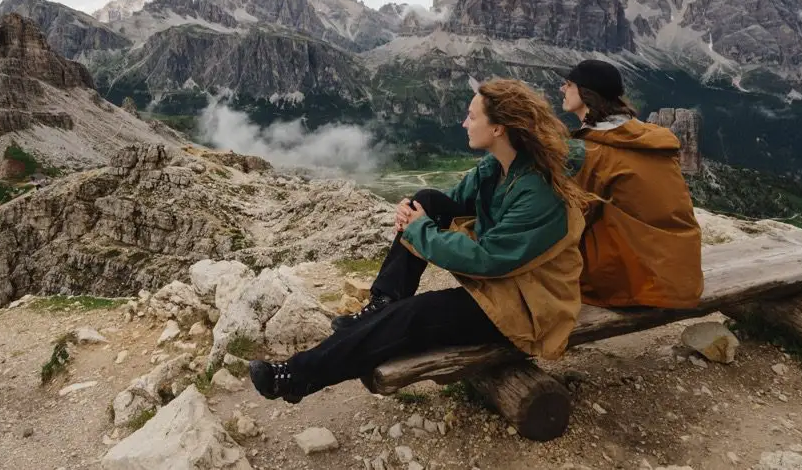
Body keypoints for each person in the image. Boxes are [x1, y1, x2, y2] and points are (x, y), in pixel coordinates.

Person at [248, 79, 590, 404]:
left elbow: (489, 259)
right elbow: (448, 203)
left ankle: (295, 376)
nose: (463, 123)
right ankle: (382, 302)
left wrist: (418, 229)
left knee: (413, 315)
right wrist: (416, 213)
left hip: (529, 303)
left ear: (499, 128)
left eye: (472, 116)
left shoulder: (538, 191)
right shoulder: (498, 166)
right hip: (510, 280)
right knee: (426, 199)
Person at [559, 59, 703, 309]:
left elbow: (571, 215)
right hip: (682, 276)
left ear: (585, 92)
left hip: (641, 286)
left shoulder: (594, 151)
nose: (562, 89)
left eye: (568, 83)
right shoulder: (648, 138)